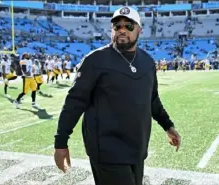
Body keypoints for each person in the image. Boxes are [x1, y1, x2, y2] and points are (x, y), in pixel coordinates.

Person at [54, 6, 181, 185]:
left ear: (139, 30)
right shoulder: (94, 61)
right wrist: (61, 143)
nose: (122, 30)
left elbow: (152, 100)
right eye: (117, 26)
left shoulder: (147, 62)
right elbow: (74, 103)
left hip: (137, 147)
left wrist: (168, 126)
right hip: (107, 150)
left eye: (129, 26)